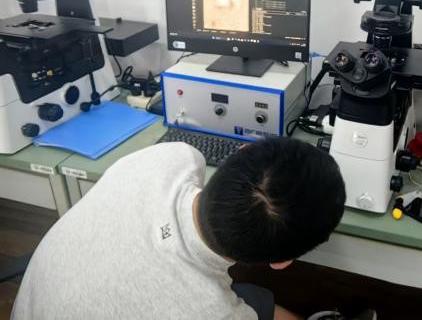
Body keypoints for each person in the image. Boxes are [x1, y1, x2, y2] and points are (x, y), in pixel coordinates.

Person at [11, 137, 346, 320]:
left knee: (256, 301)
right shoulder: (214, 313)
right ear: (281, 262)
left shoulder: (172, 158)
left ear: (241, 150)